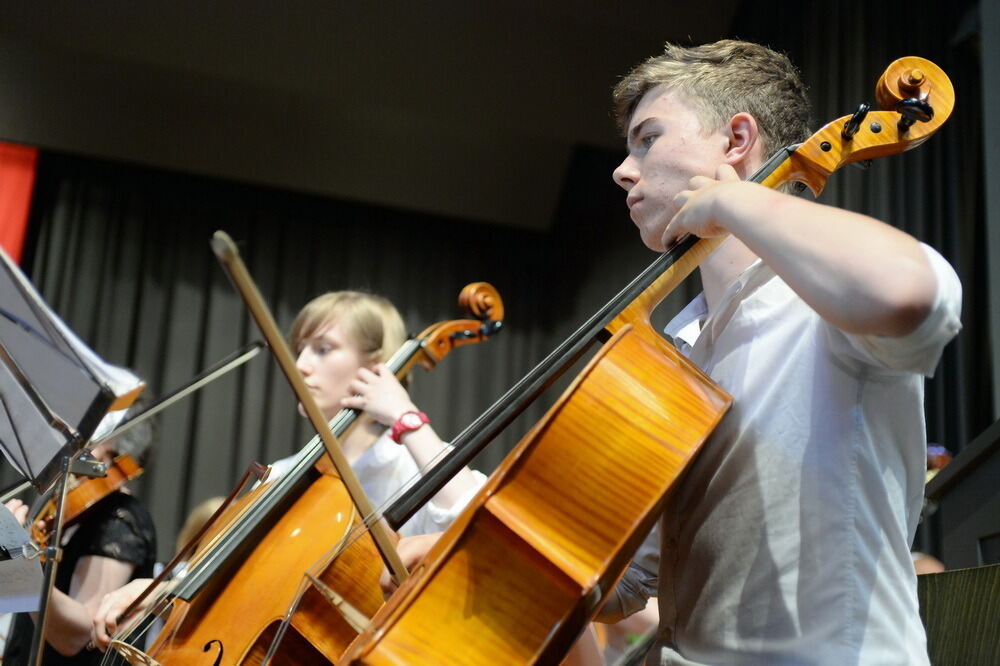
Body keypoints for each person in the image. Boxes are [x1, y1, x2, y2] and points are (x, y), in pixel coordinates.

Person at [588, 39, 962, 665]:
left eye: (647, 139)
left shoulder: (821, 302)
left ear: (736, 141)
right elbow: (635, 578)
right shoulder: (683, 352)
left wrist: (732, 200)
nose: (624, 170)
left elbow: (910, 293)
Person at [91, 290, 486, 649]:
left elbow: (475, 518)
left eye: (323, 349)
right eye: (299, 350)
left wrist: (405, 415)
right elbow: (236, 576)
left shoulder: (411, 461)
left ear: (377, 366)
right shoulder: (286, 473)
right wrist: (158, 591)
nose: (300, 365)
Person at [3, 400, 157, 666]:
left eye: (88, 441)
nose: (71, 449)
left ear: (119, 452)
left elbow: (77, 637)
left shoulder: (120, 520)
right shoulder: (67, 516)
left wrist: (20, 563)